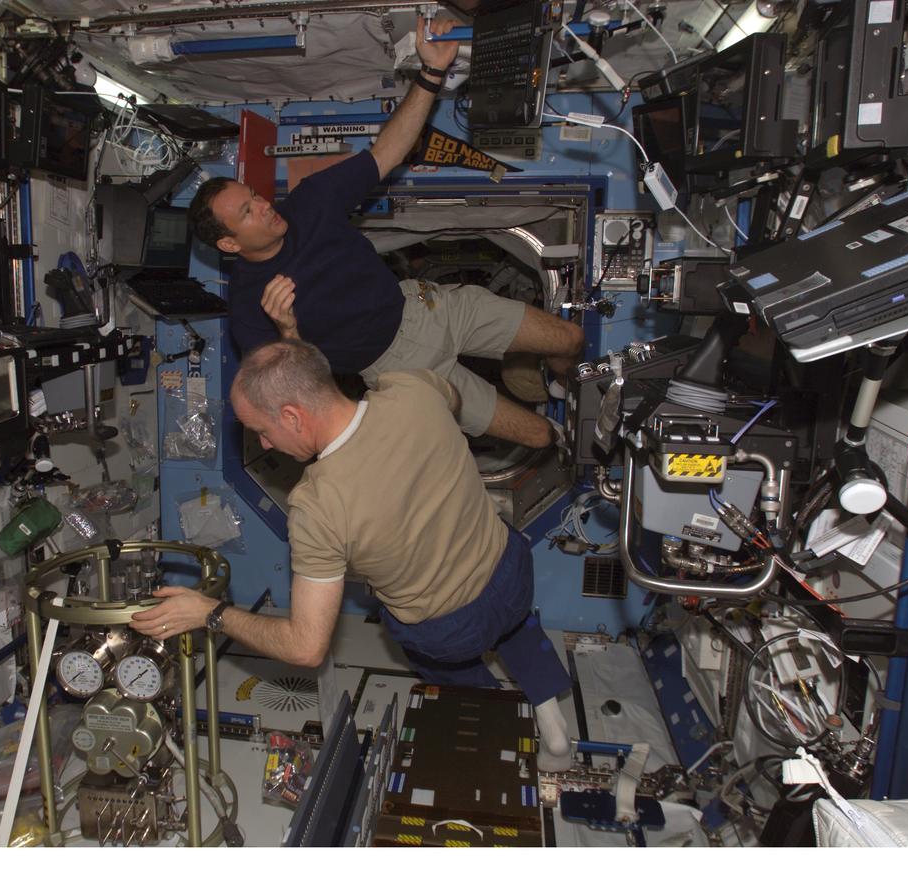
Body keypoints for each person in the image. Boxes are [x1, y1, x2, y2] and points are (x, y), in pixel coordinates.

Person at [131, 339, 574, 770]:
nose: (264, 444)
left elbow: (305, 647)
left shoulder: (317, 503)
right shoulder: (410, 389)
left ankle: (501, 728)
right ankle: (551, 715)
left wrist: (210, 612)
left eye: (262, 431)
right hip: (513, 572)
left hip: (451, 631)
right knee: (511, 615)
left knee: (431, 647)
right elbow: (455, 399)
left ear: (292, 416)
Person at [187, 16, 585, 450]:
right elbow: (298, 397)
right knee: (540, 435)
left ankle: (561, 381)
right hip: (400, 370)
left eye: (255, 196)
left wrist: (431, 74)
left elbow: (386, 151)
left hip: (428, 309)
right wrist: (287, 331)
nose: (265, 204)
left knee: (570, 338)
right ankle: (564, 438)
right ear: (229, 243)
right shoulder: (250, 309)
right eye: (248, 211)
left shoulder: (310, 201)